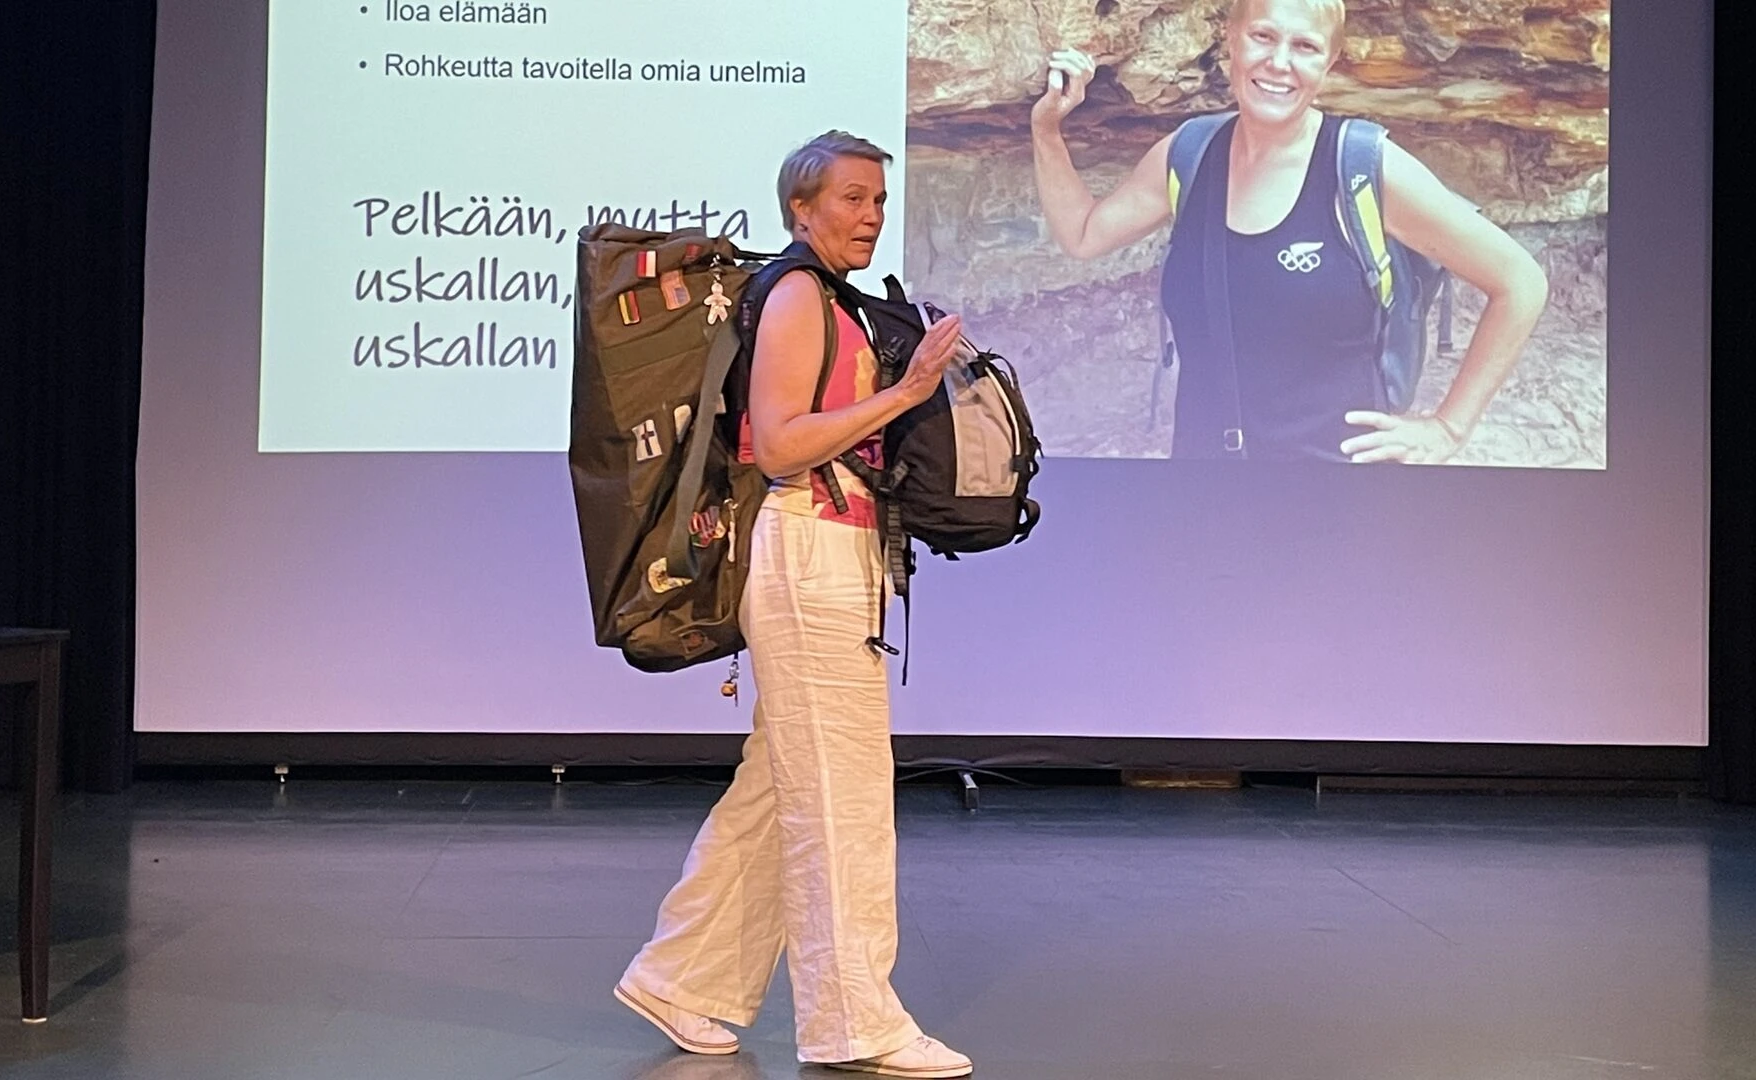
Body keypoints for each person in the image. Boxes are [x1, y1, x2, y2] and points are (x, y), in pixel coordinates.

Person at [613, 131, 975, 1079]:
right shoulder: (798, 294)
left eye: (878, 200)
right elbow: (778, 444)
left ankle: (680, 978)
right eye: (852, 198)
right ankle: (856, 1023)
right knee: (842, 800)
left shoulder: (831, 297)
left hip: (835, 551)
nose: (871, 216)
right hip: (810, 553)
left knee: (779, 792)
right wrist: (908, 391)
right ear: (801, 208)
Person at [1031, 0, 1549, 463]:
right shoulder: (1188, 154)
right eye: (1263, 36)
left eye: (1305, 46)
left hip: (1333, 490)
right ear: (1231, 39)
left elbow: (1519, 282)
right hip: (1204, 474)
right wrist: (1047, 129)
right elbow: (1083, 235)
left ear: (1329, 62)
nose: (1279, 63)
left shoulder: (1362, 167)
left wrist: (1447, 428)